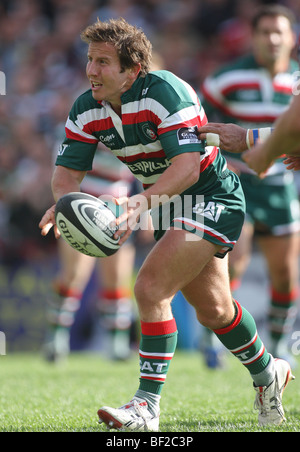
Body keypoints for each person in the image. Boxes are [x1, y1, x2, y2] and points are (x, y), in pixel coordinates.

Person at [39, 18, 294, 432]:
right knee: (215, 309)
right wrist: (65, 205)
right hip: (165, 202)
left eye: (103, 62)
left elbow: (188, 167)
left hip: (210, 194)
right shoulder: (87, 106)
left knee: (150, 286)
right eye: (89, 60)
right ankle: (269, 373)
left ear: (132, 69)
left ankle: (146, 407)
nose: (90, 71)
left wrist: (138, 202)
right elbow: (66, 175)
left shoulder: (166, 91)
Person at [200, 4, 300, 366]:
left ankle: (280, 343)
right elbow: (199, 126)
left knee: (286, 273)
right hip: (237, 182)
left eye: (280, 31)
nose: (272, 39)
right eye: (265, 31)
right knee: (235, 260)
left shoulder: (297, 78)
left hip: (280, 183)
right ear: (252, 36)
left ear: (292, 37)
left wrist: (254, 140)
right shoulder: (224, 79)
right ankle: (216, 339)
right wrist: (222, 163)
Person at [44, 144, 138, 362]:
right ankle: (55, 340)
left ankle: (118, 345)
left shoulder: (136, 120)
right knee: (74, 274)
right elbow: (63, 167)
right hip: (81, 206)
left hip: (119, 207)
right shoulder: (84, 120)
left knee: (117, 281)